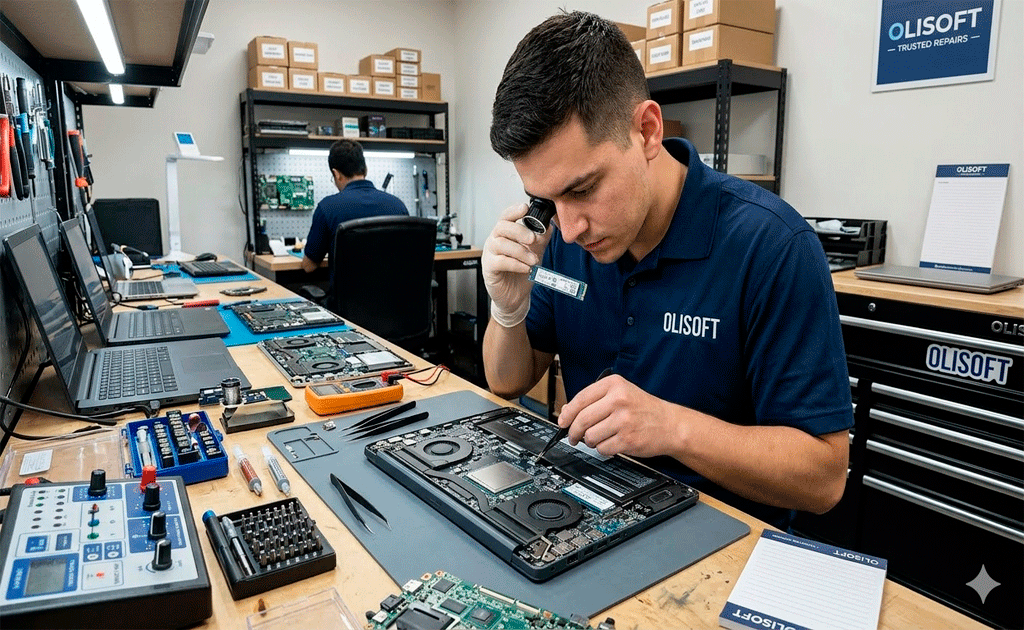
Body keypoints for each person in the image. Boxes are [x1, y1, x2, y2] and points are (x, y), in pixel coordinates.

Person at [481, 11, 853, 529]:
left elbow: (824, 479)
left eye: (583, 189)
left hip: (719, 536)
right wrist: (507, 310)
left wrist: (672, 427)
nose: (568, 229)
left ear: (647, 131)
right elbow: (507, 380)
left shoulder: (771, 246)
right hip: (588, 514)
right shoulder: (566, 235)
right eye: (546, 199)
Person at [301, 139, 409, 276]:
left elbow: (309, 266)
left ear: (336, 174)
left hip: (348, 290)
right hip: (394, 289)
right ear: (365, 169)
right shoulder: (398, 206)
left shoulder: (327, 207)